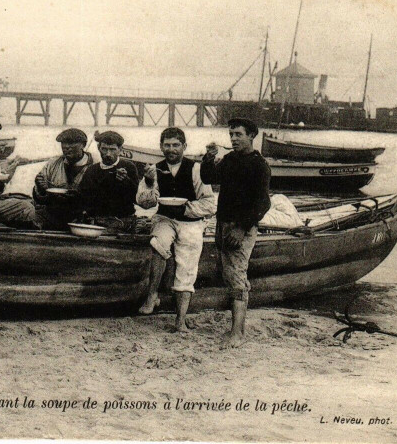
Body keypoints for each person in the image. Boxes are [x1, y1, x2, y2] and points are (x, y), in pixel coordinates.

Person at [135, 128, 216, 331]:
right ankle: (152, 295)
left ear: (184, 147)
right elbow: (144, 203)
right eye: (167, 145)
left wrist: (186, 208)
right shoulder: (154, 168)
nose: (171, 149)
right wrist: (149, 181)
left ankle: (180, 321)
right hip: (165, 218)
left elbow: (209, 205)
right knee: (158, 242)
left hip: (191, 222)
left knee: (187, 268)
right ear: (161, 147)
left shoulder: (196, 169)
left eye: (175, 145)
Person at [201, 117, 271, 348]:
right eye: (231, 134)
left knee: (236, 278)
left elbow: (263, 204)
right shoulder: (230, 159)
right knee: (231, 275)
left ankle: (237, 334)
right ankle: (238, 328)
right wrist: (209, 157)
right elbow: (208, 178)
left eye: (238, 134)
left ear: (252, 136)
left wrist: (242, 228)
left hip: (241, 227)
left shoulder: (259, 165)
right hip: (223, 224)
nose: (233, 139)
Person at [32, 128, 94, 230]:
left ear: (83, 145)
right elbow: (39, 199)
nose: (66, 147)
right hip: (53, 216)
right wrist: (40, 189)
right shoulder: (53, 163)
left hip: (83, 219)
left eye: (71, 143)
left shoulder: (95, 165)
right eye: (63, 144)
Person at [76, 131, 139, 232]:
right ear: (98, 148)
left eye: (112, 149)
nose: (108, 154)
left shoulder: (129, 167)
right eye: (104, 149)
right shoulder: (92, 170)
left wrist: (125, 180)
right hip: (97, 220)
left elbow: (136, 198)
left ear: (120, 150)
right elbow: (84, 198)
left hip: (123, 221)